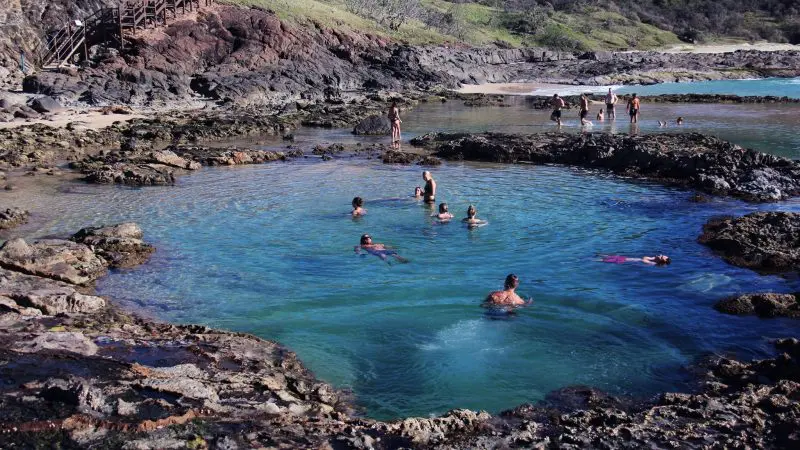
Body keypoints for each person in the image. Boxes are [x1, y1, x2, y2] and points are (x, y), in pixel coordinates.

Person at [600, 254, 671, 265]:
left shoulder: (654, 263)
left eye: (662, 256)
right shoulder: (654, 261)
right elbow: (644, 257)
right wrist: (653, 258)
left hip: (623, 260)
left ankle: (593, 259)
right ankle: (597, 254)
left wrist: (653, 258)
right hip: (625, 258)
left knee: (603, 260)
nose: (661, 255)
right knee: (608, 256)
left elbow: (643, 260)